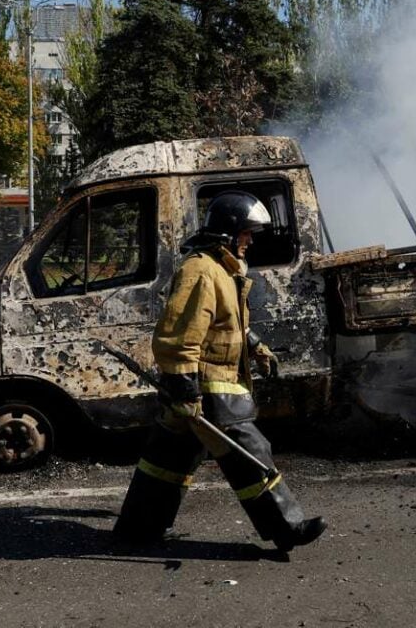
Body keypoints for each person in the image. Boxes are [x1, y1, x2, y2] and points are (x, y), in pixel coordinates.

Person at [114, 190, 327, 552]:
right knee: (250, 451)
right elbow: (180, 334)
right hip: (207, 388)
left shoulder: (223, 270)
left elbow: (230, 324)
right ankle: (286, 527)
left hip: (202, 390)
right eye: (246, 234)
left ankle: (137, 529)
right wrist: (184, 388)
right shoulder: (201, 270)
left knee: (167, 458)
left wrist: (256, 345)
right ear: (229, 233)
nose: (249, 242)